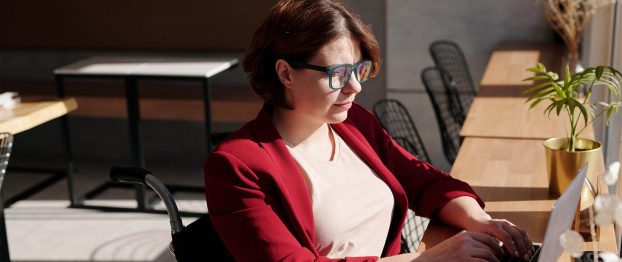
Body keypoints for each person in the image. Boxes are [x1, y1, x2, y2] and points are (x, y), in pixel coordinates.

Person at [204, 0, 533, 261]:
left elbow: (425, 181)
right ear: (286, 74)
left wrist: (481, 222)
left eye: (359, 69)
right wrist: (426, 259)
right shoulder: (237, 166)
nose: (355, 86)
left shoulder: (353, 123)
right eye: (337, 73)